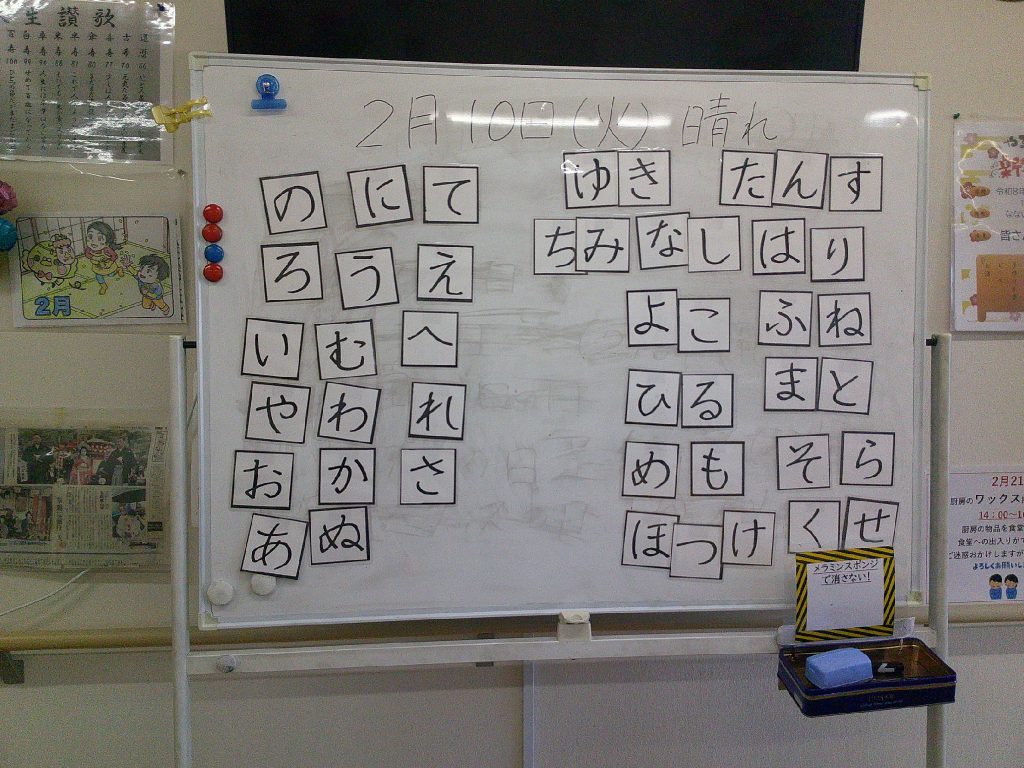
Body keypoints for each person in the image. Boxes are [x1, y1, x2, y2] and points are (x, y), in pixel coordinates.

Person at [83, 221, 124, 295]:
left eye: (99, 238)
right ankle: (104, 286)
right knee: (98, 276)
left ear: (107, 242)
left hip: (109, 265)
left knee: (111, 275)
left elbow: (114, 256)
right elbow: (87, 254)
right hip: (98, 267)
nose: (93, 241)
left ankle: (118, 269)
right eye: (90, 237)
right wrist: (94, 258)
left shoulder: (107, 250)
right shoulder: (89, 249)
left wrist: (110, 263)